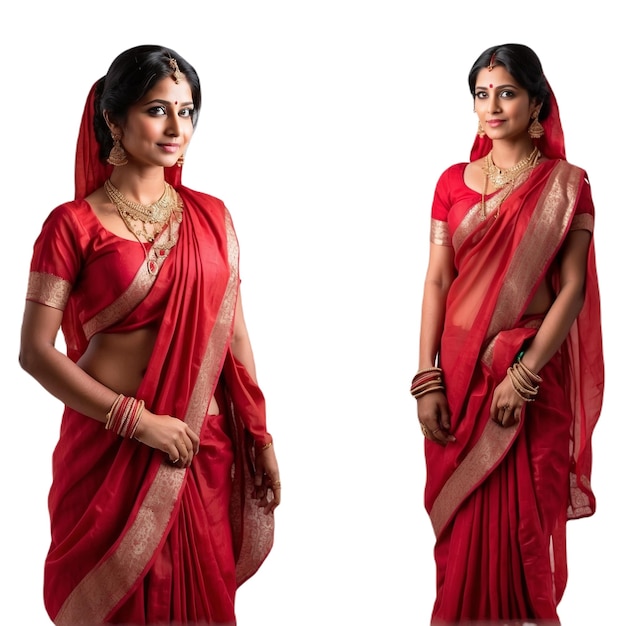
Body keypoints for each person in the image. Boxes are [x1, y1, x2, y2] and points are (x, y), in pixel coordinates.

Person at [19, 44, 281, 626]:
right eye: (157, 109)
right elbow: (35, 354)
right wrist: (137, 422)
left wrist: (259, 437)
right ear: (114, 119)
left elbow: (235, 337)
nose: (176, 127)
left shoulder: (212, 217)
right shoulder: (71, 225)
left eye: (187, 112)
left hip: (195, 446)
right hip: (110, 451)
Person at [411, 43, 603, 624]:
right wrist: (427, 378)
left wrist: (523, 374)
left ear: (536, 102)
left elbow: (572, 291)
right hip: (460, 379)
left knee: (524, 533)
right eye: (481, 93)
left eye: (507, 92)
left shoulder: (568, 185)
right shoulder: (451, 183)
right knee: (461, 537)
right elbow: (438, 281)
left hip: (529, 379)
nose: (492, 106)